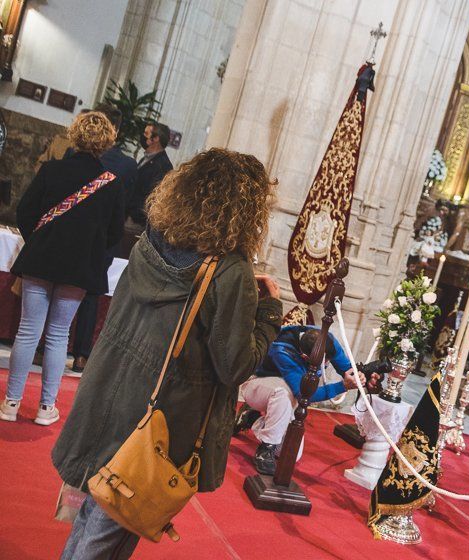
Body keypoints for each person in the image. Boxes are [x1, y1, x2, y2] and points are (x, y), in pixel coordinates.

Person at [51, 148, 283, 559]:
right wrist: (267, 312)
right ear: (246, 209)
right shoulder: (229, 271)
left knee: (93, 511)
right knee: (112, 527)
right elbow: (236, 365)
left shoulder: (151, 241)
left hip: (108, 394)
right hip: (157, 417)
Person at [0, 112, 125, 426]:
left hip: (41, 260)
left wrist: (42, 242)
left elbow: (25, 212)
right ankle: (46, 408)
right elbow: (114, 233)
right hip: (79, 268)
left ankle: (11, 403)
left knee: (28, 332)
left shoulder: (52, 170)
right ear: (107, 141)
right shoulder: (110, 184)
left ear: (75, 136)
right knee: (58, 336)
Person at [236, 325, 377, 475]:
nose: (326, 365)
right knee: (283, 393)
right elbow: (305, 394)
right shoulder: (282, 350)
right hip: (259, 383)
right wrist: (342, 386)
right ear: (305, 357)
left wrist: (362, 376)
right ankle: (266, 449)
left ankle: (252, 418)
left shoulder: (327, 340)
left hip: (288, 396)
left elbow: (347, 369)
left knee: (289, 453)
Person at [71, 104, 138, 373]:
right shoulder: (127, 165)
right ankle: (81, 355)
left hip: (71, 234)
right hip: (103, 239)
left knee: (57, 290)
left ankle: (45, 346)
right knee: (90, 295)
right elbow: (128, 206)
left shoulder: (73, 155)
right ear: (117, 130)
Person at [125, 122, 172, 228]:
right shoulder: (147, 157)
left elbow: (152, 198)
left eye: (146, 133)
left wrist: (133, 213)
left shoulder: (163, 166)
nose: (142, 136)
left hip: (134, 221)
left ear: (155, 139)